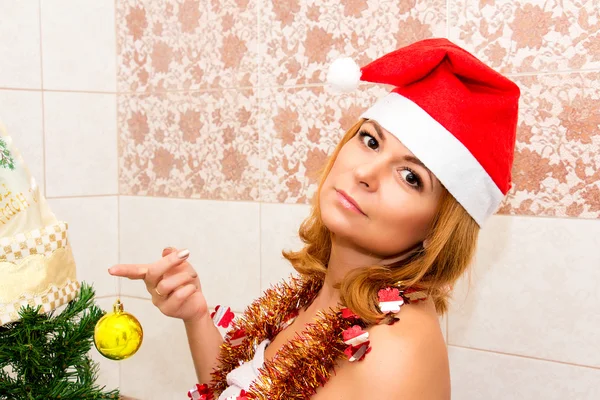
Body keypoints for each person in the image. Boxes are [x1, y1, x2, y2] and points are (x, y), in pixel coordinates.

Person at [109, 38, 520, 399]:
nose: (365, 173)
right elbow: (247, 390)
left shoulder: (393, 349)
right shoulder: (324, 298)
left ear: (441, 227)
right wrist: (196, 315)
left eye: (411, 177)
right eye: (371, 140)